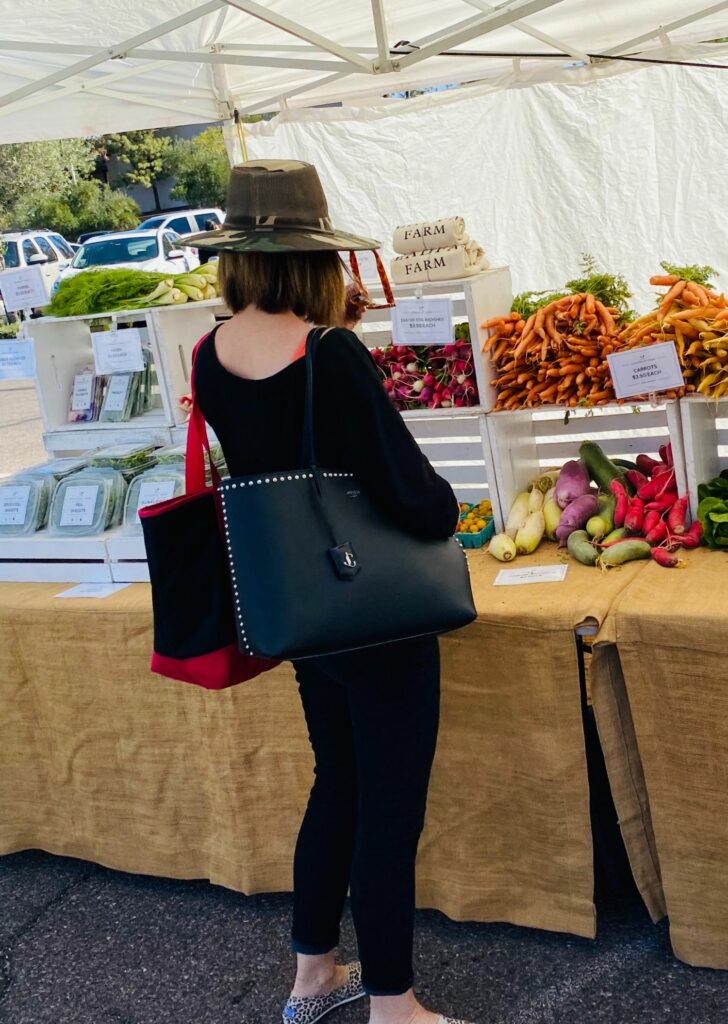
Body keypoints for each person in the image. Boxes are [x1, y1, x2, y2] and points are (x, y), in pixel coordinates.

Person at [187, 160, 473, 1024]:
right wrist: (446, 509)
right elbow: (407, 491)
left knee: (338, 781)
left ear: (237, 254)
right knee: (389, 802)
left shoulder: (209, 352)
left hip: (300, 608)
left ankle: (313, 976)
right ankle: (394, 1004)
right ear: (317, 258)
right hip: (373, 609)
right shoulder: (330, 353)